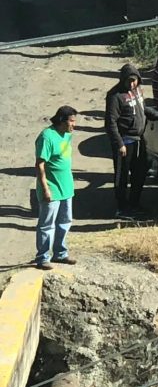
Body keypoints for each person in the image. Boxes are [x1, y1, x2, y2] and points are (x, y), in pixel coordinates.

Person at [105, 63, 158, 218]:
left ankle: (134, 204)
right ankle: (121, 208)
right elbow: (110, 122)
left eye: (134, 80)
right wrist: (119, 143)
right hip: (125, 141)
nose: (132, 84)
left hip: (139, 140)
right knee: (122, 176)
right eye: (129, 81)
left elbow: (143, 109)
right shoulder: (115, 96)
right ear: (123, 80)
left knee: (140, 173)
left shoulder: (137, 91)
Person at [33, 106, 78, 270]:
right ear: (61, 120)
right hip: (52, 187)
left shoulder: (68, 135)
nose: (74, 125)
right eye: (71, 121)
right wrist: (45, 188)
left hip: (66, 186)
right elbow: (40, 164)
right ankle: (43, 257)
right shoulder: (47, 137)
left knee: (65, 221)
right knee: (47, 224)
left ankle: (60, 253)